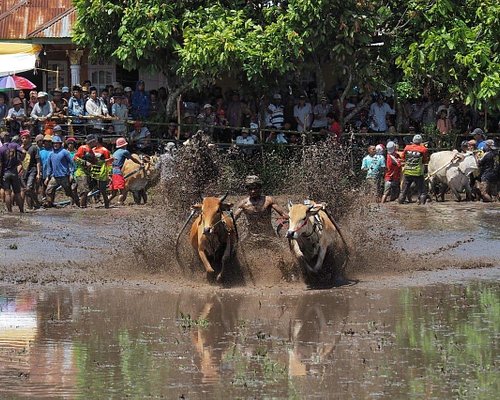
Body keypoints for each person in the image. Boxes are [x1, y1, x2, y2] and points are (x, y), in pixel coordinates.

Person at [45, 136, 79, 207]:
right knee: (49, 190)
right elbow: (49, 166)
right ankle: (50, 204)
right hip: (55, 176)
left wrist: (71, 174)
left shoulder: (64, 152)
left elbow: (72, 163)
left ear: (60, 144)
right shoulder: (51, 154)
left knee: (69, 192)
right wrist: (47, 177)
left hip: (64, 176)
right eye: (54, 143)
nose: (55, 145)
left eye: (57, 143)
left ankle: (76, 203)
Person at [110, 137, 142, 206]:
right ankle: (120, 202)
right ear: (124, 145)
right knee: (123, 190)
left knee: (114, 192)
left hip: (112, 170)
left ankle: (106, 201)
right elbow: (133, 159)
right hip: (117, 171)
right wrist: (140, 163)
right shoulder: (125, 152)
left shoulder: (115, 152)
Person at [398, 134, 429, 204]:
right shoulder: (424, 149)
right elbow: (425, 161)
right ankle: (422, 206)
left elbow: (402, 158)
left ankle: (400, 202)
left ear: (413, 141)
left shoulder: (407, 147)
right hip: (418, 173)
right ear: (421, 141)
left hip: (407, 171)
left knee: (403, 191)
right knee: (422, 192)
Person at [0, 136, 26, 212]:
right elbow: (24, 152)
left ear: (2, 140)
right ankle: (21, 210)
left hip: (5, 172)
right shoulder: (14, 145)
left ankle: (10, 211)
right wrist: (21, 160)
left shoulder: (1, 149)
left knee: (7, 193)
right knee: (17, 193)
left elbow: (0, 164)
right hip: (14, 172)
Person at [73, 134, 98, 208]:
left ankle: (81, 204)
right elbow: (75, 158)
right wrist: (85, 162)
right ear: (91, 141)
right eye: (95, 141)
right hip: (81, 172)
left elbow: (94, 162)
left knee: (86, 190)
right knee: (84, 191)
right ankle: (82, 206)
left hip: (87, 173)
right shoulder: (83, 148)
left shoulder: (91, 151)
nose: (96, 143)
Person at [20, 130, 41, 209]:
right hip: (23, 171)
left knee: (29, 187)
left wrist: (38, 173)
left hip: (32, 169)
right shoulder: (19, 148)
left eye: (26, 138)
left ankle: (37, 203)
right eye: (23, 138)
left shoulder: (34, 148)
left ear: (29, 139)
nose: (24, 140)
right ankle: (30, 206)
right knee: (27, 190)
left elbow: (38, 161)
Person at [92, 136, 112, 208]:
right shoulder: (92, 150)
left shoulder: (104, 150)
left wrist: (109, 173)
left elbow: (109, 162)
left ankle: (106, 204)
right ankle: (97, 201)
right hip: (94, 170)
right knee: (94, 187)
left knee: (102, 189)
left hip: (102, 171)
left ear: (97, 141)